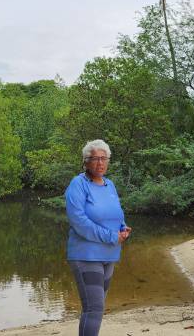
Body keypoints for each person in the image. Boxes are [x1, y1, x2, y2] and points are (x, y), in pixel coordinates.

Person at [65, 139, 131, 336]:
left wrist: (122, 227)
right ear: (85, 161)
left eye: (104, 158)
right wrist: (111, 236)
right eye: (95, 159)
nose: (100, 163)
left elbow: (116, 212)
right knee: (94, 308)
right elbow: (79, 221)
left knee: (97, 307)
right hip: (86, 254)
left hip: (109, 254)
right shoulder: (78, 184)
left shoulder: (109, 185)